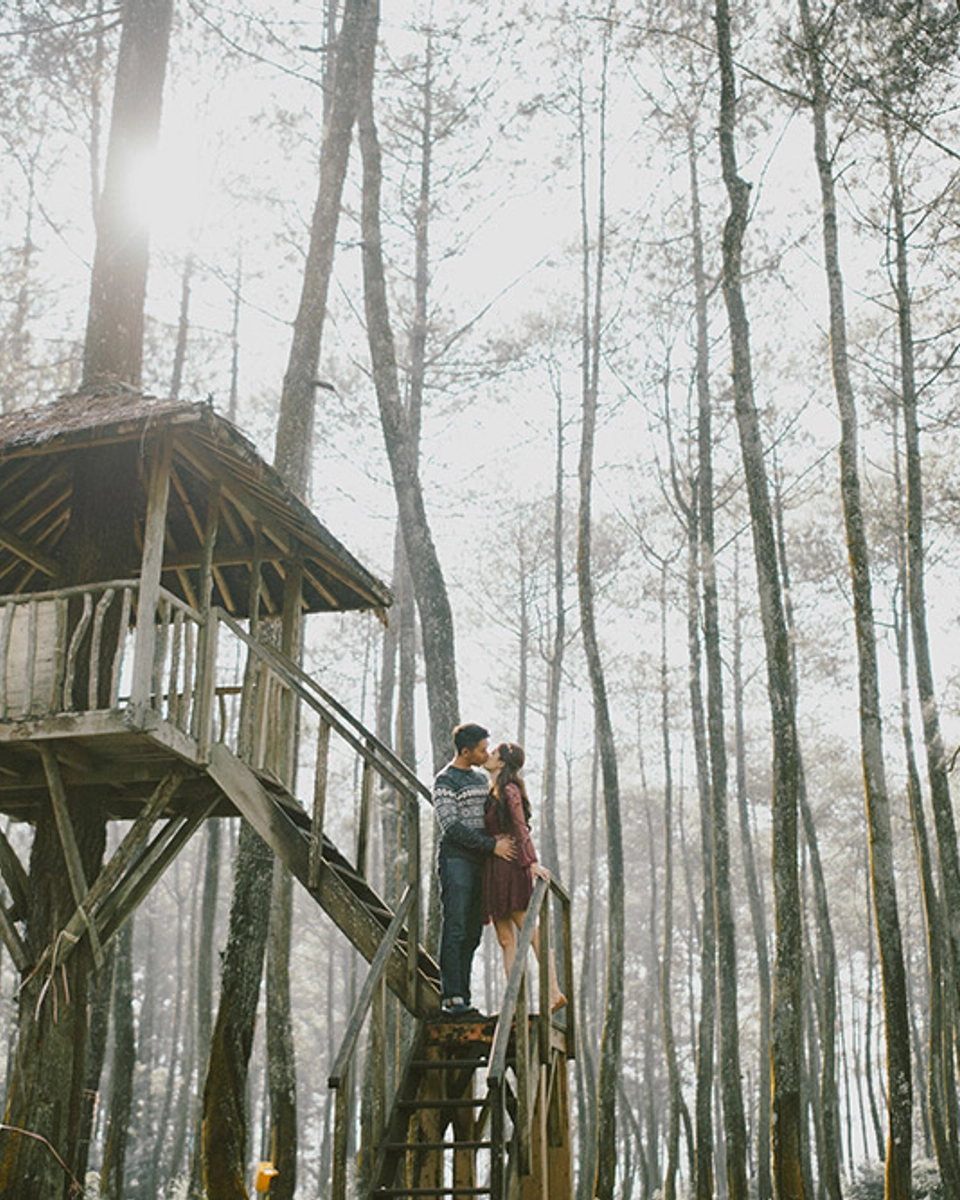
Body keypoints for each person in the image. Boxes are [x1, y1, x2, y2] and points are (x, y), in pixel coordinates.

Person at [433, 722, 516, 1017]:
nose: (485, 753)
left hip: (483, 865)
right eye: (481, 750)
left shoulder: (483, 779)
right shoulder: (445, 781)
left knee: (472, 932)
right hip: (457, 861)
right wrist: (490, 845)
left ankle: (463, 997)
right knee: (455, 926)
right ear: (466, 751)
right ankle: (451, 996)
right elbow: (451, 826)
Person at [482, 741, 565, 1013]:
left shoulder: (509, 790)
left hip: (511, 868)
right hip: (494, 869)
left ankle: (553, 991)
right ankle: (514, 1004)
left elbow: (520, 826)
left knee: (531, 932)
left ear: (503, 762)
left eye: (494, 753)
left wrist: (531, 863)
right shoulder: (493, 790)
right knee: (506, 939)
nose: (489, 755)